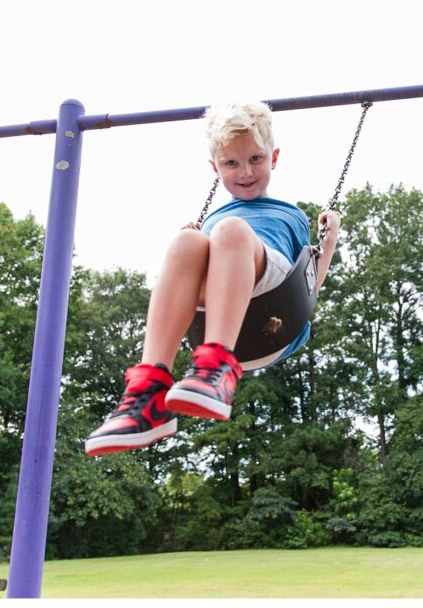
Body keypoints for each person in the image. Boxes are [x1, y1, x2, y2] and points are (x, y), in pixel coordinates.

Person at [86, 101, 340, 456]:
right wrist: (195, 250)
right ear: (215, 167)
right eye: (231, 163)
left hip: (276, 307)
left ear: (274, 157)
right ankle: (147, 394)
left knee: (230, 232)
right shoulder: (213, 220)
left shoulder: (289, 213)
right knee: (186, 240)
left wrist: (328, 241)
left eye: (256, 159)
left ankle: (216, 367)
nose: (246, 171)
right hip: (215, 317)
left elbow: (309, 284)